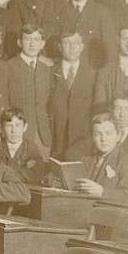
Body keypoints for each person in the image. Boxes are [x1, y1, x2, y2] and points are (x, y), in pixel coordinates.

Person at [53, 0, 116, 69]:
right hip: (67, 70)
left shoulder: (102, 12)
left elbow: (110, 48)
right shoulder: (59, 11)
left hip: (93, 70)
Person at [6, 23, 53, 154]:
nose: (32, 44)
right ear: (19, 42)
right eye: (27, 39)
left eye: (36, 40)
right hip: (18, 135)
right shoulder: (8, 67)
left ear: (42, 44)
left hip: (43, 136)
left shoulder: (47, 69)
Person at [48, 30, 95, 160]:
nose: (72, 47)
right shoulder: (49, 72)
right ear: (60, 46)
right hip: (55, 142)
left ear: (82, 46)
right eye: (67, 43)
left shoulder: (93, 75)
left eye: (76, 43)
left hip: (82, 144)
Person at [76, 114, 128, 202]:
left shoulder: (126, 160)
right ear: (93, 137)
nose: (103, 139)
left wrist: (102, 192)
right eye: (97, 134)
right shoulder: (87, 159)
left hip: (109, 211)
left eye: (108, 133)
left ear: (118, 136)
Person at [0, 108, 44, 185]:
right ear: (2, 128)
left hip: (23, 191)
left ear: (25, 127)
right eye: (9, 126)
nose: (13, 130)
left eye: (18, 125)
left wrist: (5, 175)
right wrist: (22, 171)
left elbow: (36, 174)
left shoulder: (31, 148)